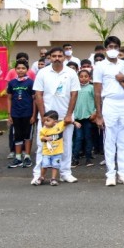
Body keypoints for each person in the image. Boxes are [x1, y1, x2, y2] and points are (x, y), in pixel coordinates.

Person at [32, 47, 80, 186]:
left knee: (66, 145)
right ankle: (38, 175)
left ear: (64, 58)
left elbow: (74, 94)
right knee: (42, 145)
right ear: (50, 58)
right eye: (54, 56)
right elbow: (38, 94)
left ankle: (65, 173)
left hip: (65, 117)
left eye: (60, 56)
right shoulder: (43, 72)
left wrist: (69, 115)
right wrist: (43, 117)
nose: (57, 58)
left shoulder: (71, 73)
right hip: (47, 118)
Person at [7, 60, 35, 169]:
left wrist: (33, 115)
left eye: (23, 68)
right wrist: (9, 114)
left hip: (28, 114)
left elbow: (34, 100)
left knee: (27, 135)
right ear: (15, 70)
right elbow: (9, 98)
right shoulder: (12, 83)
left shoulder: (31, 83)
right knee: (17, 135)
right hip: (15, 114)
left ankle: (27, 156)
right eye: (18, 68)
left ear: (27, 70)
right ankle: (18, 157)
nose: (21, 70)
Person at [33, 110, 67, 186]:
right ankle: (41, 177)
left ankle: (53, 179)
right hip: (47, 152)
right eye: (44, 120)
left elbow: (67, 121)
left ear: (55, 122)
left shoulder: (59, 126)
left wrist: (75, 123)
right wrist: (45, 138)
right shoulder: (44, 129)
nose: (45, 122)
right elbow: (41, 138)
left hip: (57, 152)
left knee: (55, 166)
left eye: (48, 120)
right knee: (44, 165)